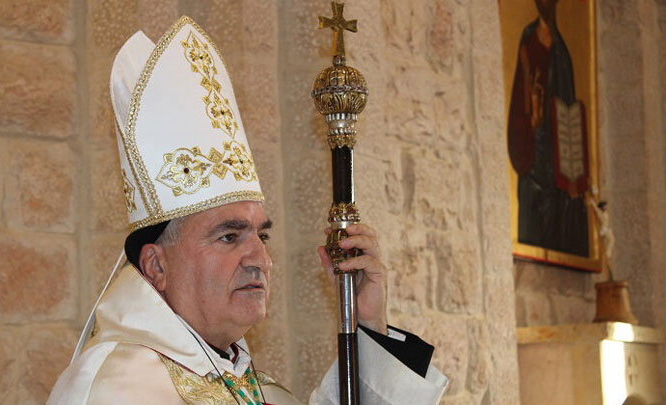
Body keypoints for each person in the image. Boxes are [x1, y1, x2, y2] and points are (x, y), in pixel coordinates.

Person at [48, 15, 448, 404]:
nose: (261, 259)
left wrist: (366, 325)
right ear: (157, 266)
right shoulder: (114, 389)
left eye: (262, 235)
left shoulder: (255, 389)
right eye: (229, 236)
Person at [507, 0, 589, 257]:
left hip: (560, 155)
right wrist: (532, 120)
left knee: (561, 218)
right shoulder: (528, 40)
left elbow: (569, 109)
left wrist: (575, 172)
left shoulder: (562, 51)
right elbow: (521, 99)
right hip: (535, 150)